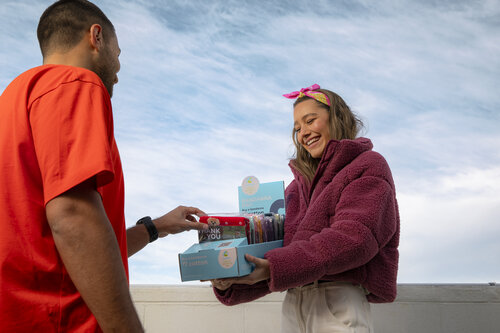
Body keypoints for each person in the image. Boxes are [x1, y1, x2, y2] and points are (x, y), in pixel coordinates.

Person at [0, 0, 207, 332]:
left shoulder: (13, 100)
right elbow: (72, 218)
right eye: (119, 54)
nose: (118, 71)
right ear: (96, 37)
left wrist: (157, 227)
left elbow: (50, 240)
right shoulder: (75, 83)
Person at [210, 84, 400, 332]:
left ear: (337, 117)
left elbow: (355, 238)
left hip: (337, 301)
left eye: (310, 121)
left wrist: (276, 267)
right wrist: (232, 279)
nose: (303, 133)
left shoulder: (368, 164)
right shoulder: (294, 188)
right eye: (297, 128)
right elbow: (278, 253)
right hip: (294, 302)